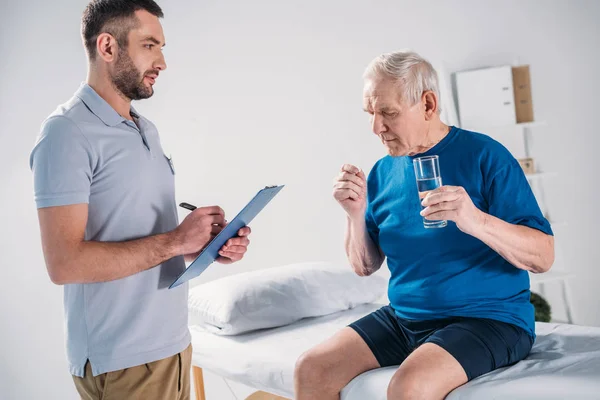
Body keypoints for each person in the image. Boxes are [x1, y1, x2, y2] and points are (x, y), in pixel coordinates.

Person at [294, 50, 555, 400]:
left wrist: (474, 219)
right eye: (370, 113)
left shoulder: (485, 156)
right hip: (405, 319)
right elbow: (364, 266)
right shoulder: (383, 172)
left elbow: (543, 256)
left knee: (408, 386)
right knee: (311, 368)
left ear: (428, 104)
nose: (376, 127)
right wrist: (354, 214)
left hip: (489, 319)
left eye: (388, 113)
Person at [29, 1, 251, 399]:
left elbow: (137, 236)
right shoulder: (66, 133)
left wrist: (203, 246)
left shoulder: (144, 128)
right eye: (150, 45)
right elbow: (64, 263)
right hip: (124, 360)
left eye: (161, 47)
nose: (162, 61)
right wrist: (176, 241)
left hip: (173, 344)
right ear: (108, 47)